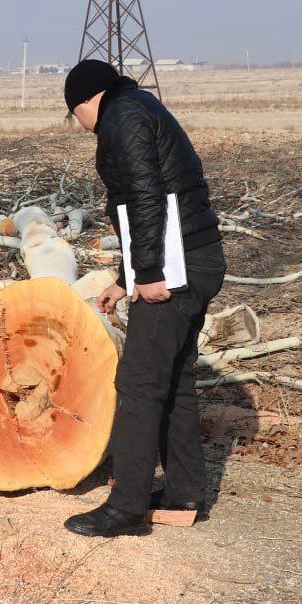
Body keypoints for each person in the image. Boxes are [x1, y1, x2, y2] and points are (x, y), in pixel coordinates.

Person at [61, 59, 226, 538]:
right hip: (197, 258)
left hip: (177, 267)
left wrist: (149, 273)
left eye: (77, 115)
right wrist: (124, 275)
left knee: (137, 382)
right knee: (174, 378)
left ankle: (127, 507)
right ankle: (184, 493)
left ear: (87, 102)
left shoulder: (121, 116)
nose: (83, 126)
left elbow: (145, 196)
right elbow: (147, 208)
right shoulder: (139, 106)